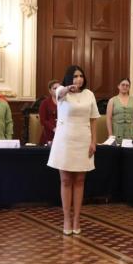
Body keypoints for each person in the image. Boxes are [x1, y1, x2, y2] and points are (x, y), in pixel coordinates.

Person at [47, 65, 100, 236]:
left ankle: (77, 218)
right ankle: (66, 219)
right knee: (65, 180)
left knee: (79, 181)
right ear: (69, 77)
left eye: (81, 76)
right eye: (75, 76)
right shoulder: (62, 91)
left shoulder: (89, 94)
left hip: (83, 139)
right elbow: (59, 93)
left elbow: (93, 120)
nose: (79, 79)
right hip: (65, 140)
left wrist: (94, 141)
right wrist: (68, 89)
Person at [106, 77, 133, 142]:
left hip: (131, 133)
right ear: (118, 86)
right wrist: (110, 134)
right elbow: (109, 118)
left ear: (129, 87)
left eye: (127, 85)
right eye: (123, 85)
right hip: (116, 132)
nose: (125, 87)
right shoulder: (112, 100)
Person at [39, 79, 60, 145]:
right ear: (50, 91)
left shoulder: (64, 101)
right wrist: (53, 128)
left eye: (59, 88)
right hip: (49, 133)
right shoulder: (45, 103)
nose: (57, 90)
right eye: (55, 88)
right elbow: (43, 120)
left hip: (62, 132)